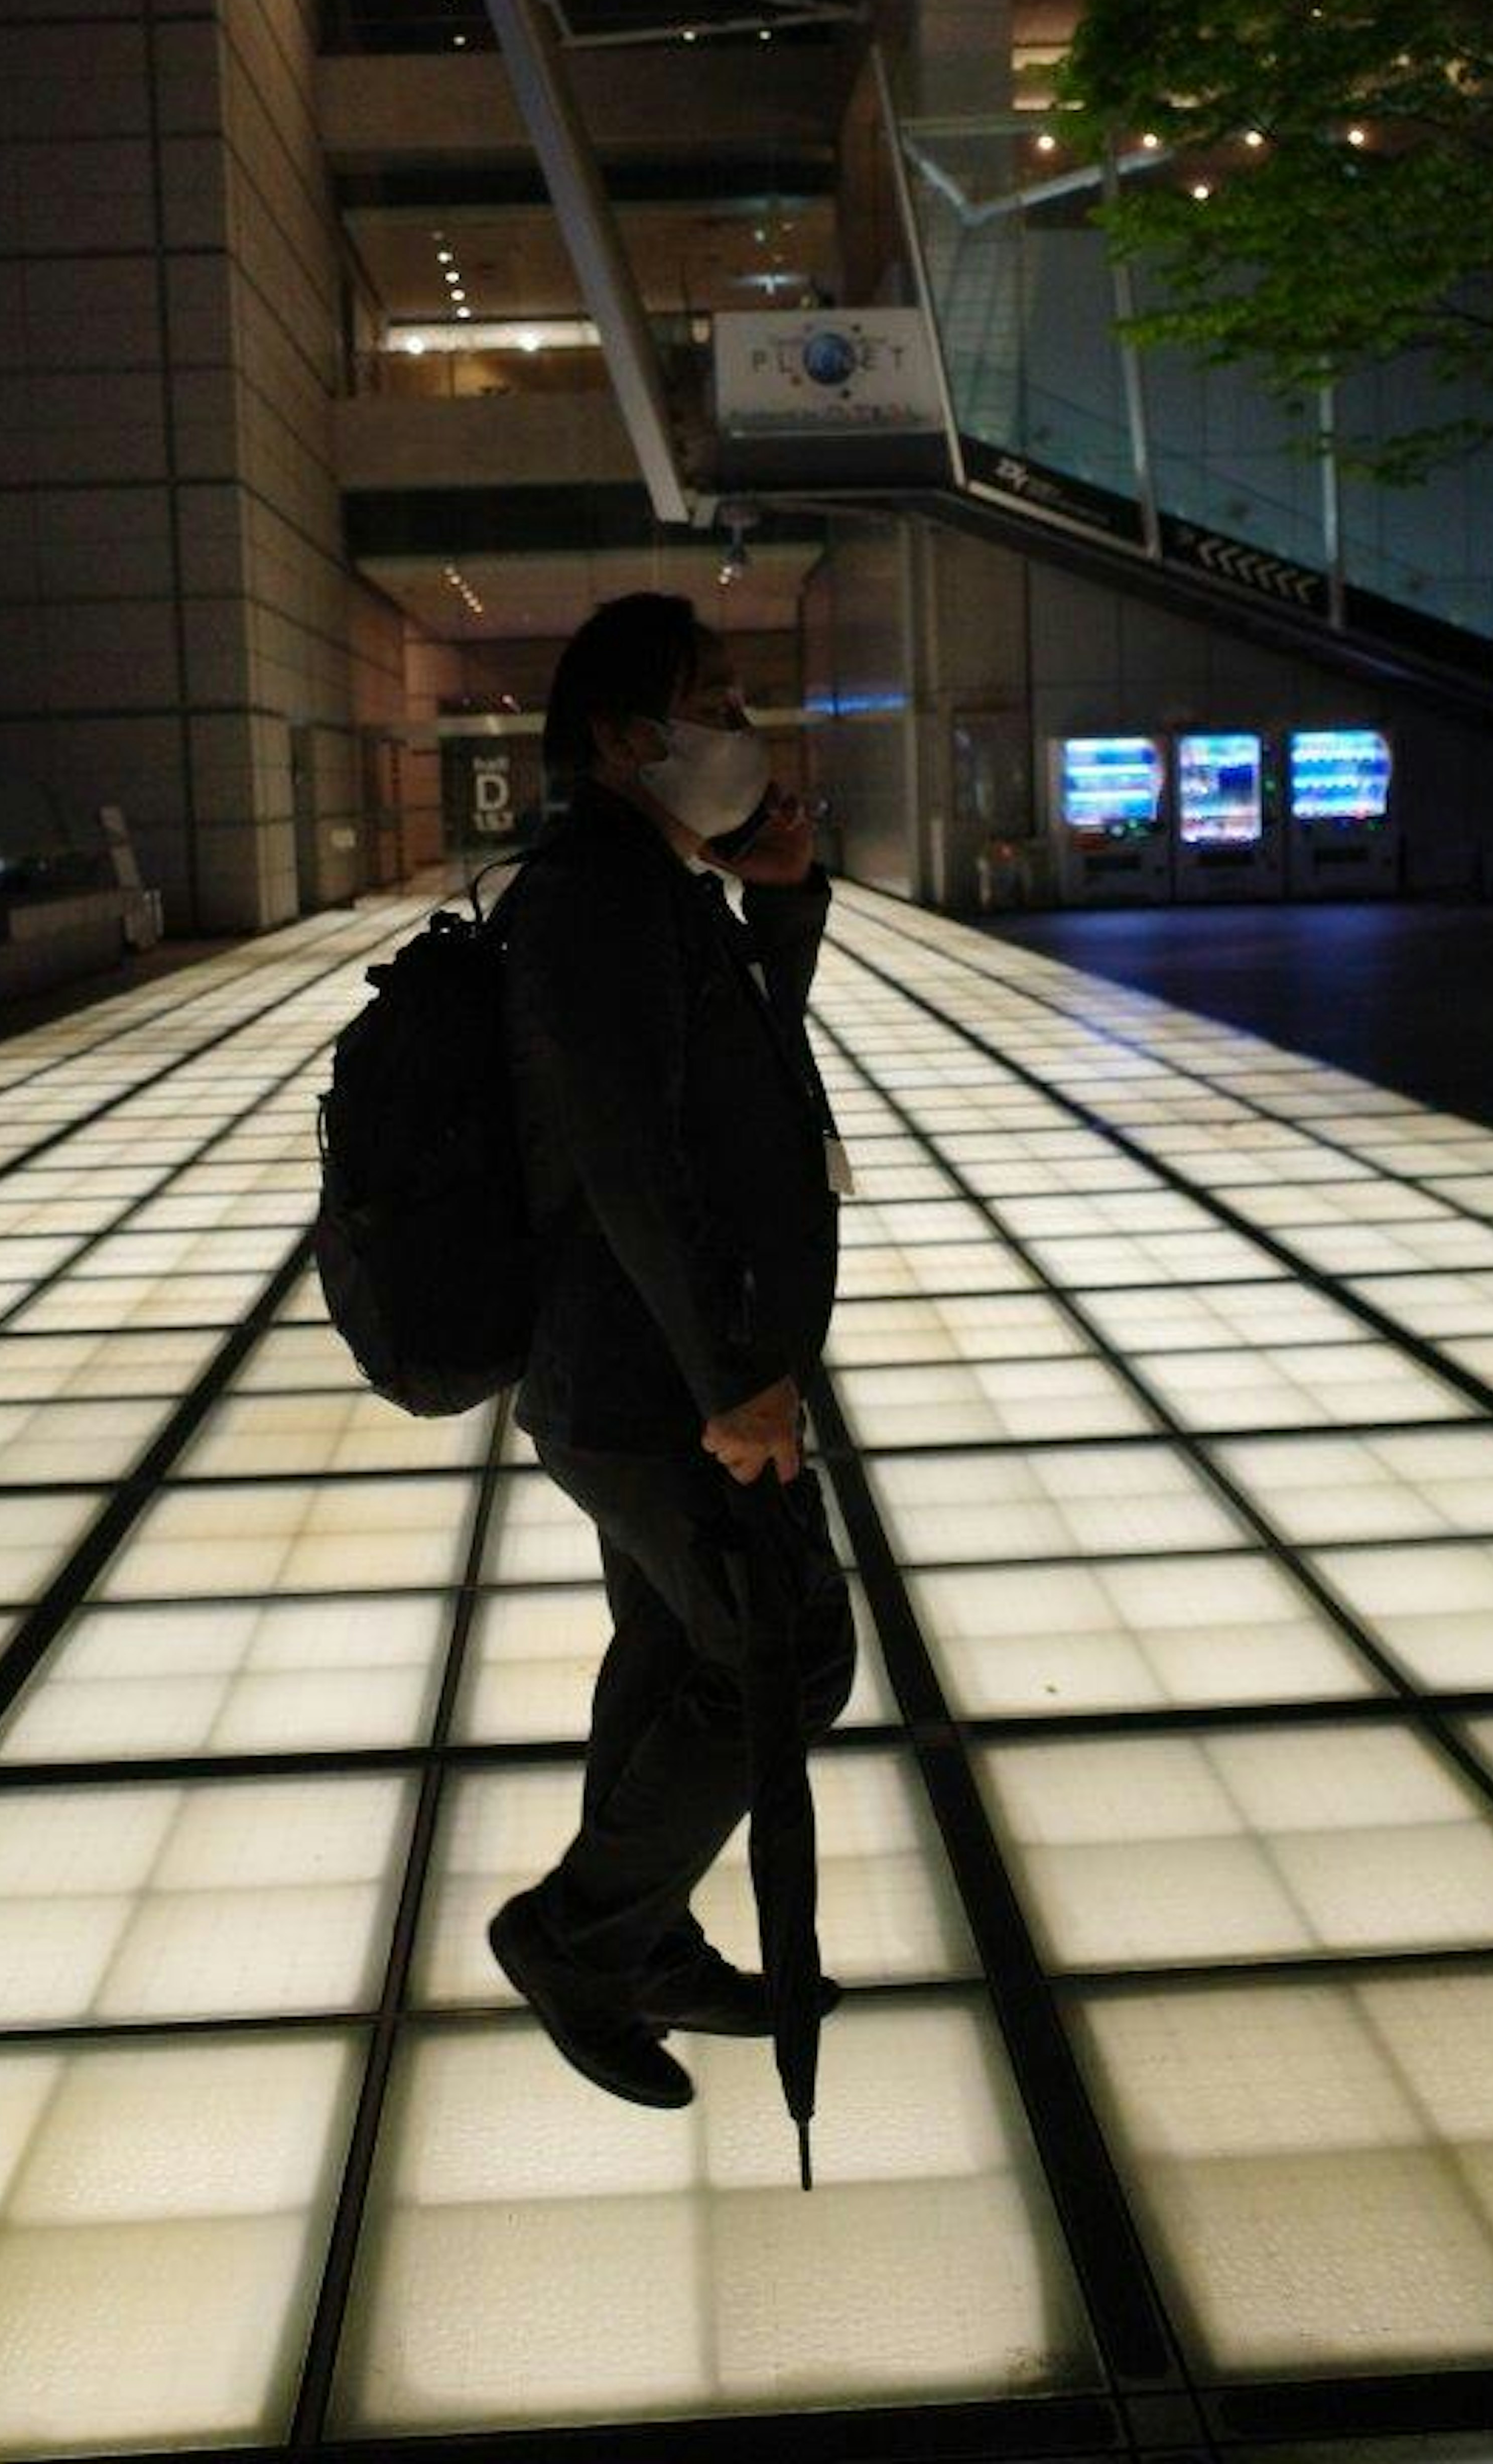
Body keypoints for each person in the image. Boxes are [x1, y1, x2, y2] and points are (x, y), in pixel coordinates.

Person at [490, 591, 857, 2110]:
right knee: (791, 1652)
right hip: (647, 1385)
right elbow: (634, 1161)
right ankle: (580, 1939)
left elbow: (733, 1068)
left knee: (675, 1647)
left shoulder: (652, 884)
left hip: (639, 1380)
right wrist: (736, 1379)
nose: (740, 726)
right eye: (712, 699)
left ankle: (644, 1936)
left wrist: (778, 897)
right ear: (625, 740)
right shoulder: (593, 898)